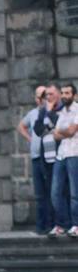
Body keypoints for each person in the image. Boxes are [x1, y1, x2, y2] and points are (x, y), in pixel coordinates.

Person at [18, 84, 60, 235]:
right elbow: (23, 127)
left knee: (52, 191)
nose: (44, 98)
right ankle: (41, 225)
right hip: (37, 157)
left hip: (51, 157)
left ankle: (53, 223)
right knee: (40, 193)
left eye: (46, 94)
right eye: (40, 95)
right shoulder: (34, 113)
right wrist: (29, 138)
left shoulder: (54, 111)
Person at [52, 83, 78, 237]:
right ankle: (62, 224)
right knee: (55, 192)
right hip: (61, 154)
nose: (64, 96)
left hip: (75, 153)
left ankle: (76, 224)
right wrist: (63, 132)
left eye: (67, 93)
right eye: (62, 93)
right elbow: (55, 135)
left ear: (74, 95)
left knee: (75, 192)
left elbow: (70, 131)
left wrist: (61, 131)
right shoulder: (62, 112)